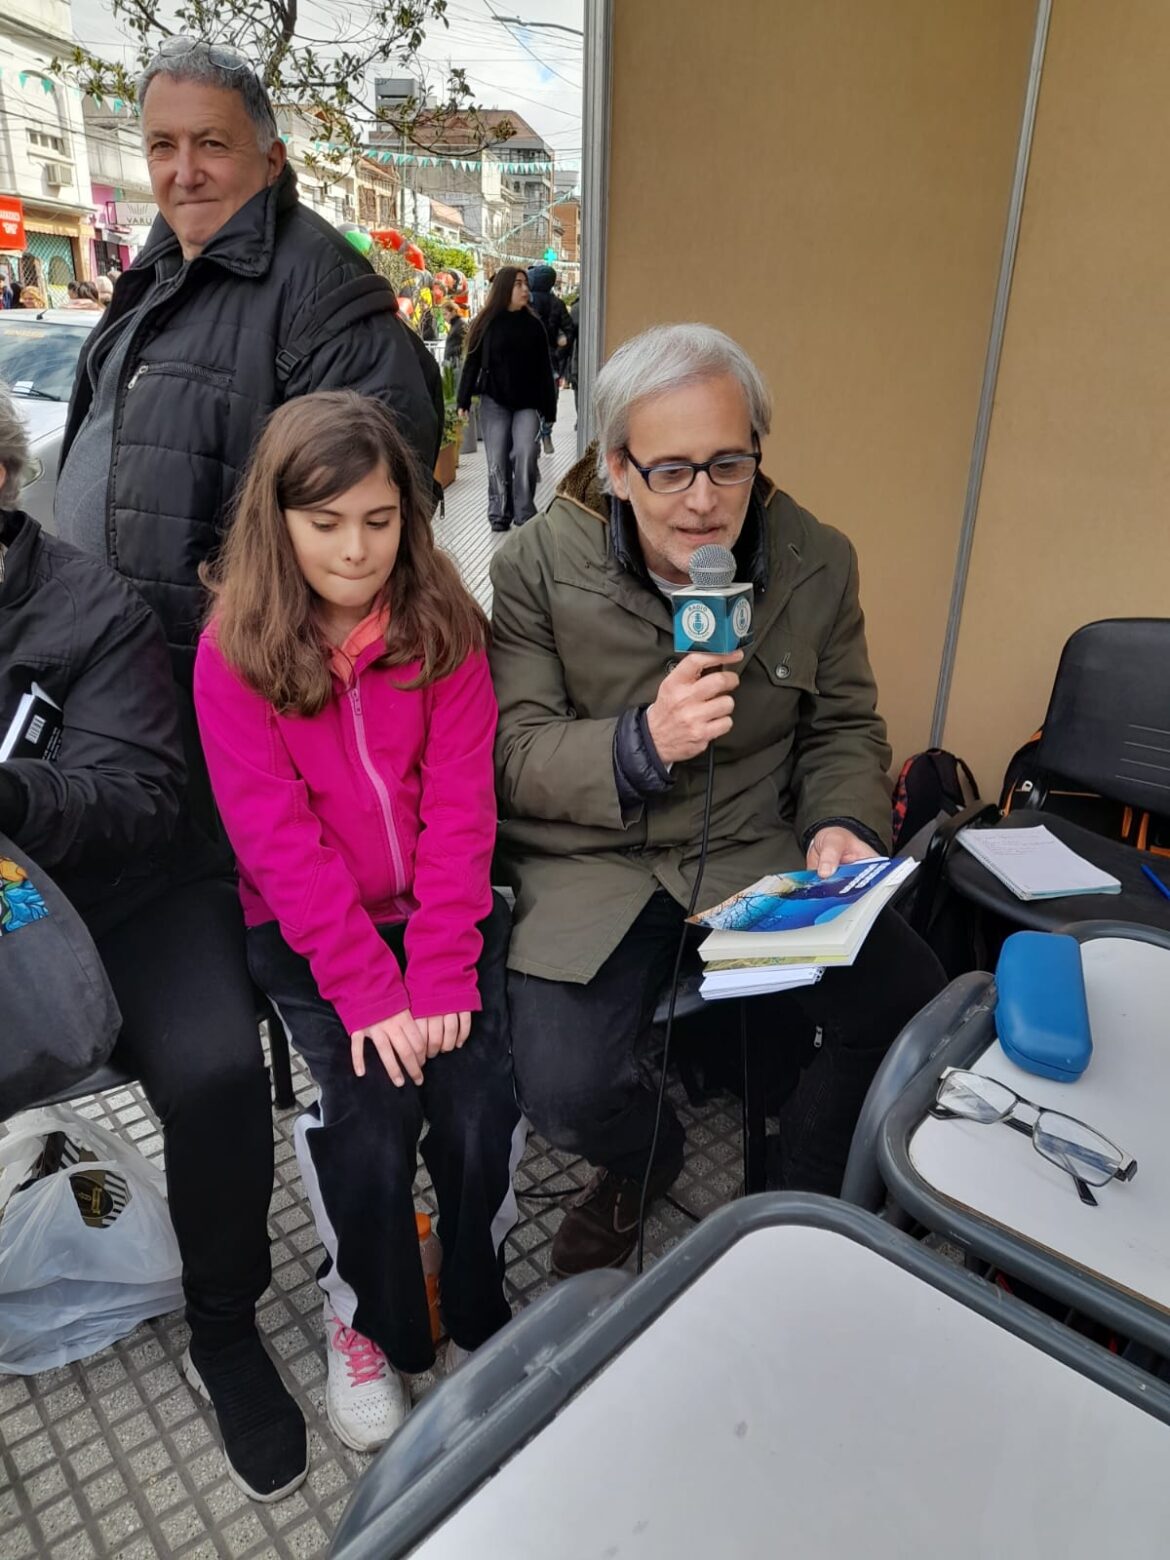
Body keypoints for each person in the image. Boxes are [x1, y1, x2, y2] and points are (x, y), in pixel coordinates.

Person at [490, 323, 947, 1276]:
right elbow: (510, 751)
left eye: (729, 465)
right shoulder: (538, 564)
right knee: (562, 1090)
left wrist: (841, 825)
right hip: (595, 864)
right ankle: (643, 1156)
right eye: (671, 471)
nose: (704, 501)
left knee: (911, 995)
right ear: (615, 467)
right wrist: (636, 742)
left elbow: (846, 726)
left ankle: (800, 1182)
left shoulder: (816, 557)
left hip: (749, 847)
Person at [194, 391, 521, 1452]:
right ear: (277, 519)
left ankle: (477, 1299)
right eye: (325, 523)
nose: (355, 549)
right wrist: (372, 993)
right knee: (372, 1125)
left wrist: (436, 972)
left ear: (411, 518)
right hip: (313, 932)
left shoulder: (444, 627)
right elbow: (277, 842)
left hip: (442, 917)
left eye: (380, 521)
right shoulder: (235, 652)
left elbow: (464, 806)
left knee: (476, 1104)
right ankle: (366, 1318)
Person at [0, 387, 308, 1502]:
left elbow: (132, 794)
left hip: (128, 887)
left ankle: (223, 1326)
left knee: (218, 1070)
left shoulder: (95, 610)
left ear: (4, 483)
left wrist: (9, 796)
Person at [55, 35, 441, 675]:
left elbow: (367, 524)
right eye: (162, 146)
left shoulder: (322, 290)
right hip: (119, 672)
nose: (184, 171)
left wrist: (261, 669)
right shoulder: (160, 267)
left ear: (270, 159)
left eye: (211, 143)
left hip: (227, 692)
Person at [457, 266, 556, 534]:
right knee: (497, 458)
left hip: (528, 402)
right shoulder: (486, 323)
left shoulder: (534, 326)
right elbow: (472, 363)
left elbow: (545, 369)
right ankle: (499, 511)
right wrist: (462, 400)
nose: (525, 289)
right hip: (495, 401)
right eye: (519, 284)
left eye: (525, 284)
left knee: (525, 452)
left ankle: (524, 510)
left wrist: (550, 409)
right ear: (504, 289)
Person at [526, 263, 573, 455]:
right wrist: (559, 352)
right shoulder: (558, 303)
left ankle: (532, 440)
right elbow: (569, 331)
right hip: (550, 362)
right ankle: (546, 433)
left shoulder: (526, 303)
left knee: (529, 403)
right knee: (550, 400)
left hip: (527, 363)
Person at [441, 298, 467, 366]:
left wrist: (452, 351)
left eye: (445, 314)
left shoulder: (461, 324)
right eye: (443, 314)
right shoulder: (454, 325)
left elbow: (466, 345)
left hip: (456, 364)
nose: (444, 317)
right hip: (451, 363)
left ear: (453, 312)